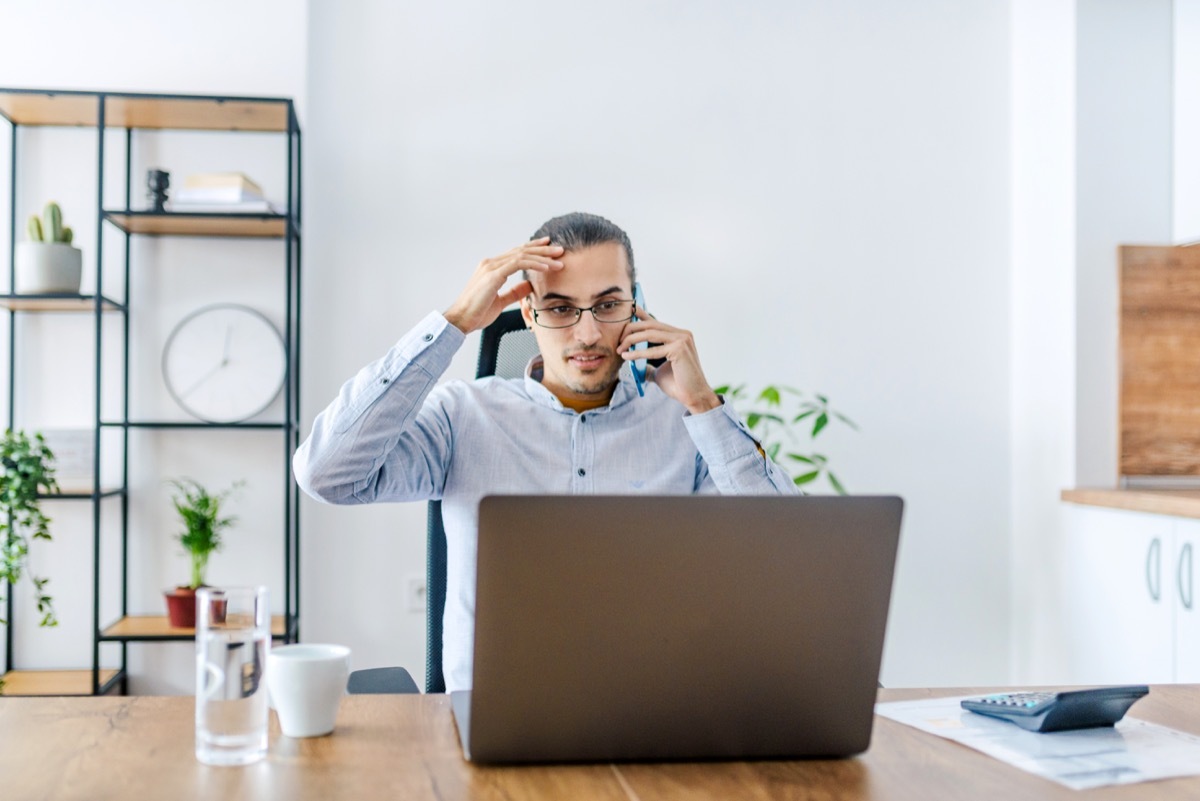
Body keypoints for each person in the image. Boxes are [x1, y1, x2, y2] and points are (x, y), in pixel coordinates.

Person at [293, 212, 797, 691]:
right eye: (559, 308)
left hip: (650, 721)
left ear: (637, 307)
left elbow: (788, 558)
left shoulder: (687, 428)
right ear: (529, 315)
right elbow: (328, 474)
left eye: (607, 305)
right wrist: (453, 324)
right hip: (494, 729)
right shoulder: (464, 416)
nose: (587, 333)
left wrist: (704, 404)